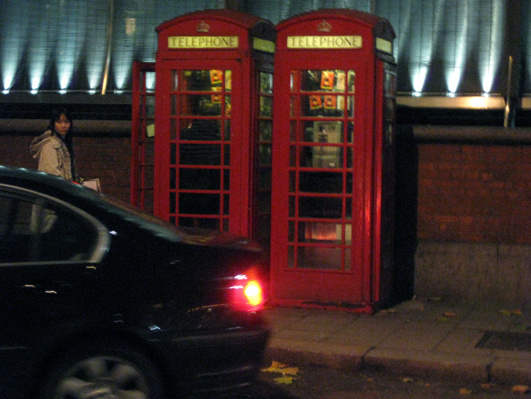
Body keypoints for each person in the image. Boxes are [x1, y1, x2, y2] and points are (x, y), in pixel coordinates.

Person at [30, 108, 80, 183]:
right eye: (59, 122)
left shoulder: (65, 144)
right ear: (53, 124)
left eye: (66, 122)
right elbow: (52, 177)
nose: (63, 126)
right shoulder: (50, 146)